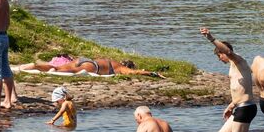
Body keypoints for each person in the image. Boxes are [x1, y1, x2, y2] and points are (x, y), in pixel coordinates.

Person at [199, 26, 256, 132]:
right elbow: (239, 89)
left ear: (223, 52)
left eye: (219, 56)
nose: (220, 59)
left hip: (246, 107)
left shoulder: (239, 60)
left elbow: (228, 52)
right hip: (239, 106)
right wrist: (231, 106)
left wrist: (211, 38)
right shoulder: (233, 66)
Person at [14, 57, 158, 77]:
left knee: (58, 67)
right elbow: (135, 72)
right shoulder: (119, 67)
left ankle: (36, 66)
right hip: (92, 66)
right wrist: (153, 73)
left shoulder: (111, 59)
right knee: (71, 71)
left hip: (84, 59)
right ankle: (51, 70)